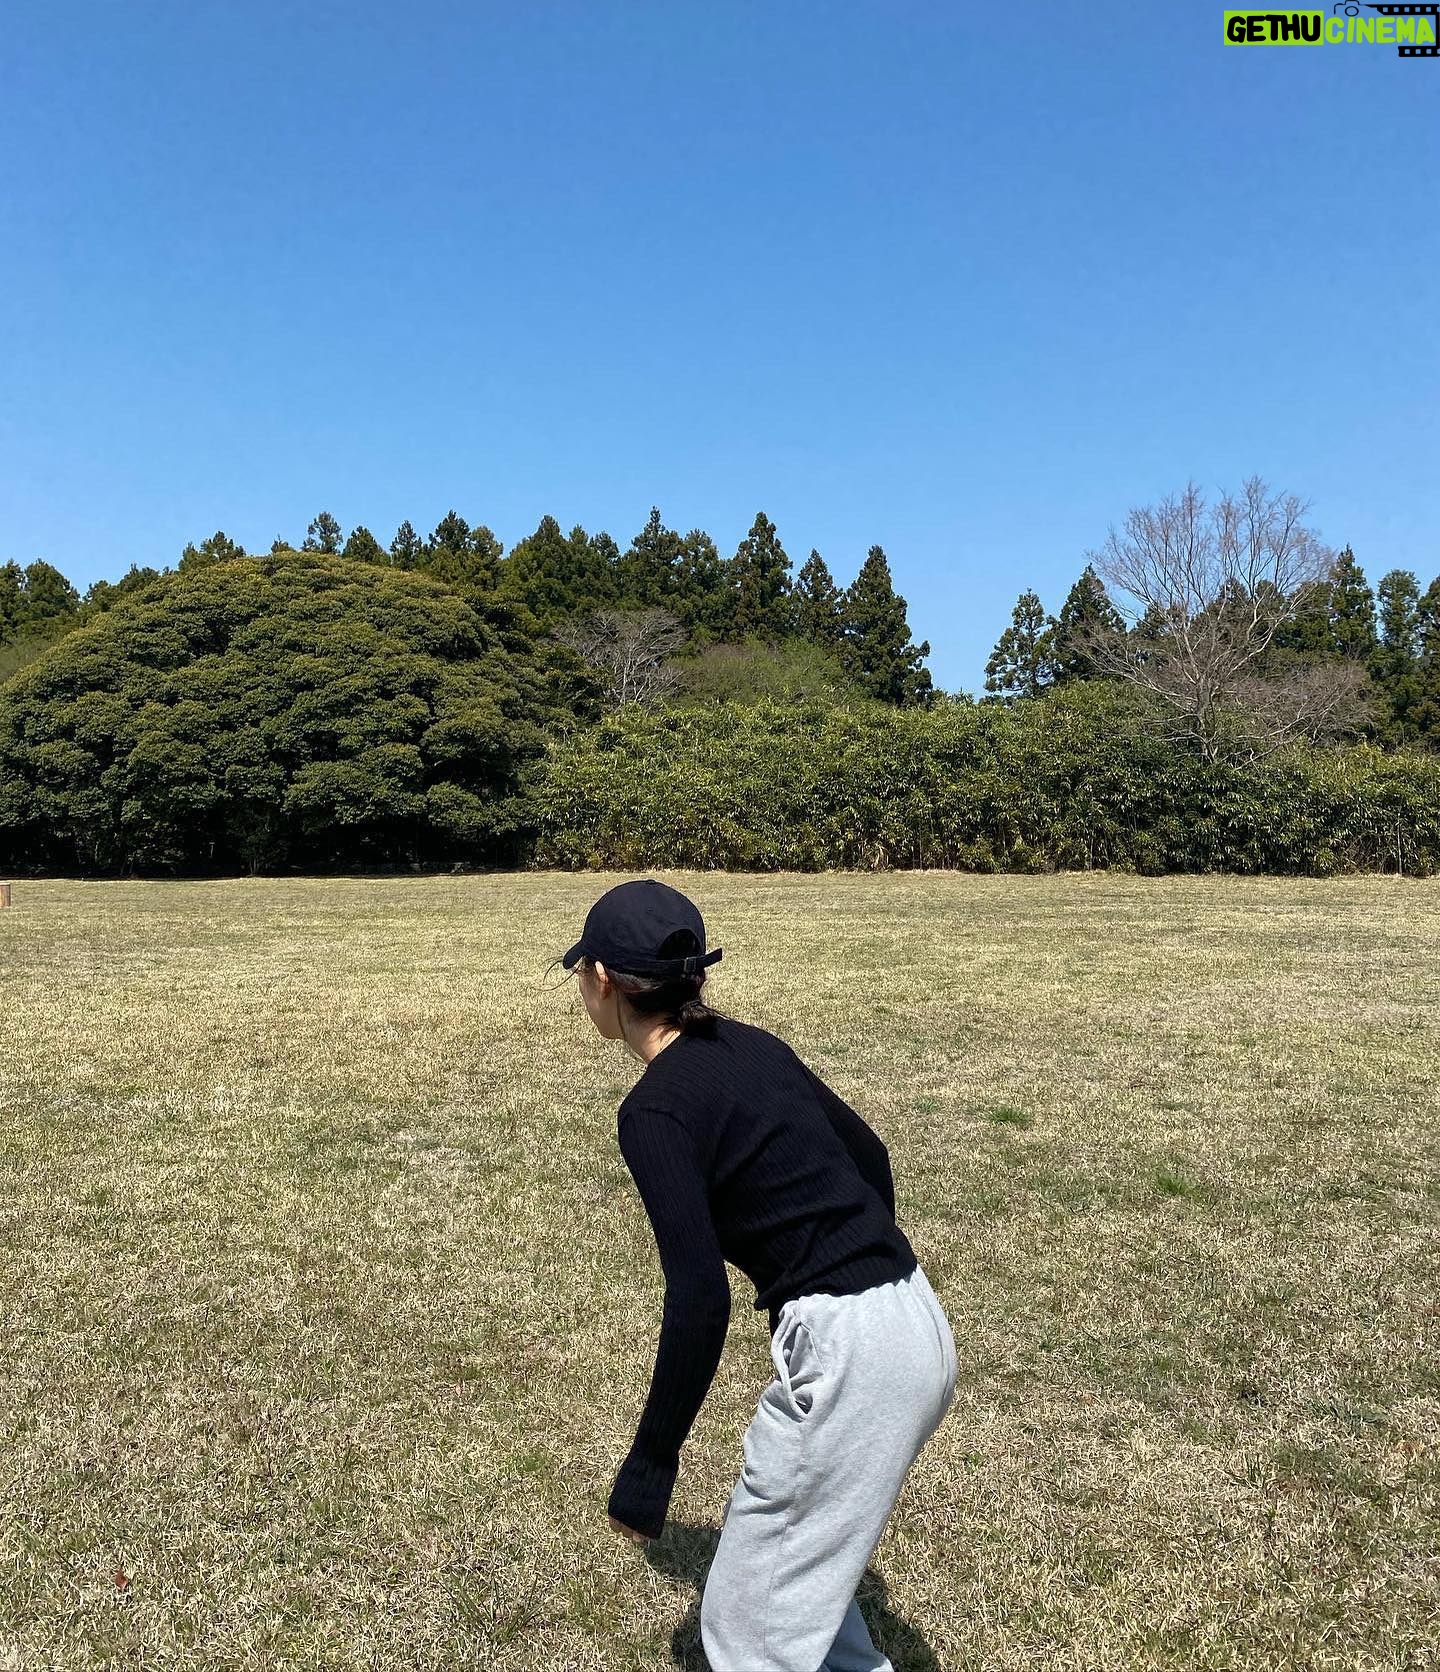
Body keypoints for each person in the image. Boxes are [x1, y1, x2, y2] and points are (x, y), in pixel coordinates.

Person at [555, 876, 958, 1672]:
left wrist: (650, 1466)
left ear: (601, 980)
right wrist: (851, 1264)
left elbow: (700, 1300)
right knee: (797, 1597)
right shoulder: (754, 1046)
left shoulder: (656, 1110)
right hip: (915, 1315)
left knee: (749, 1632)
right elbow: (871, 1157)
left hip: (853, 1351)